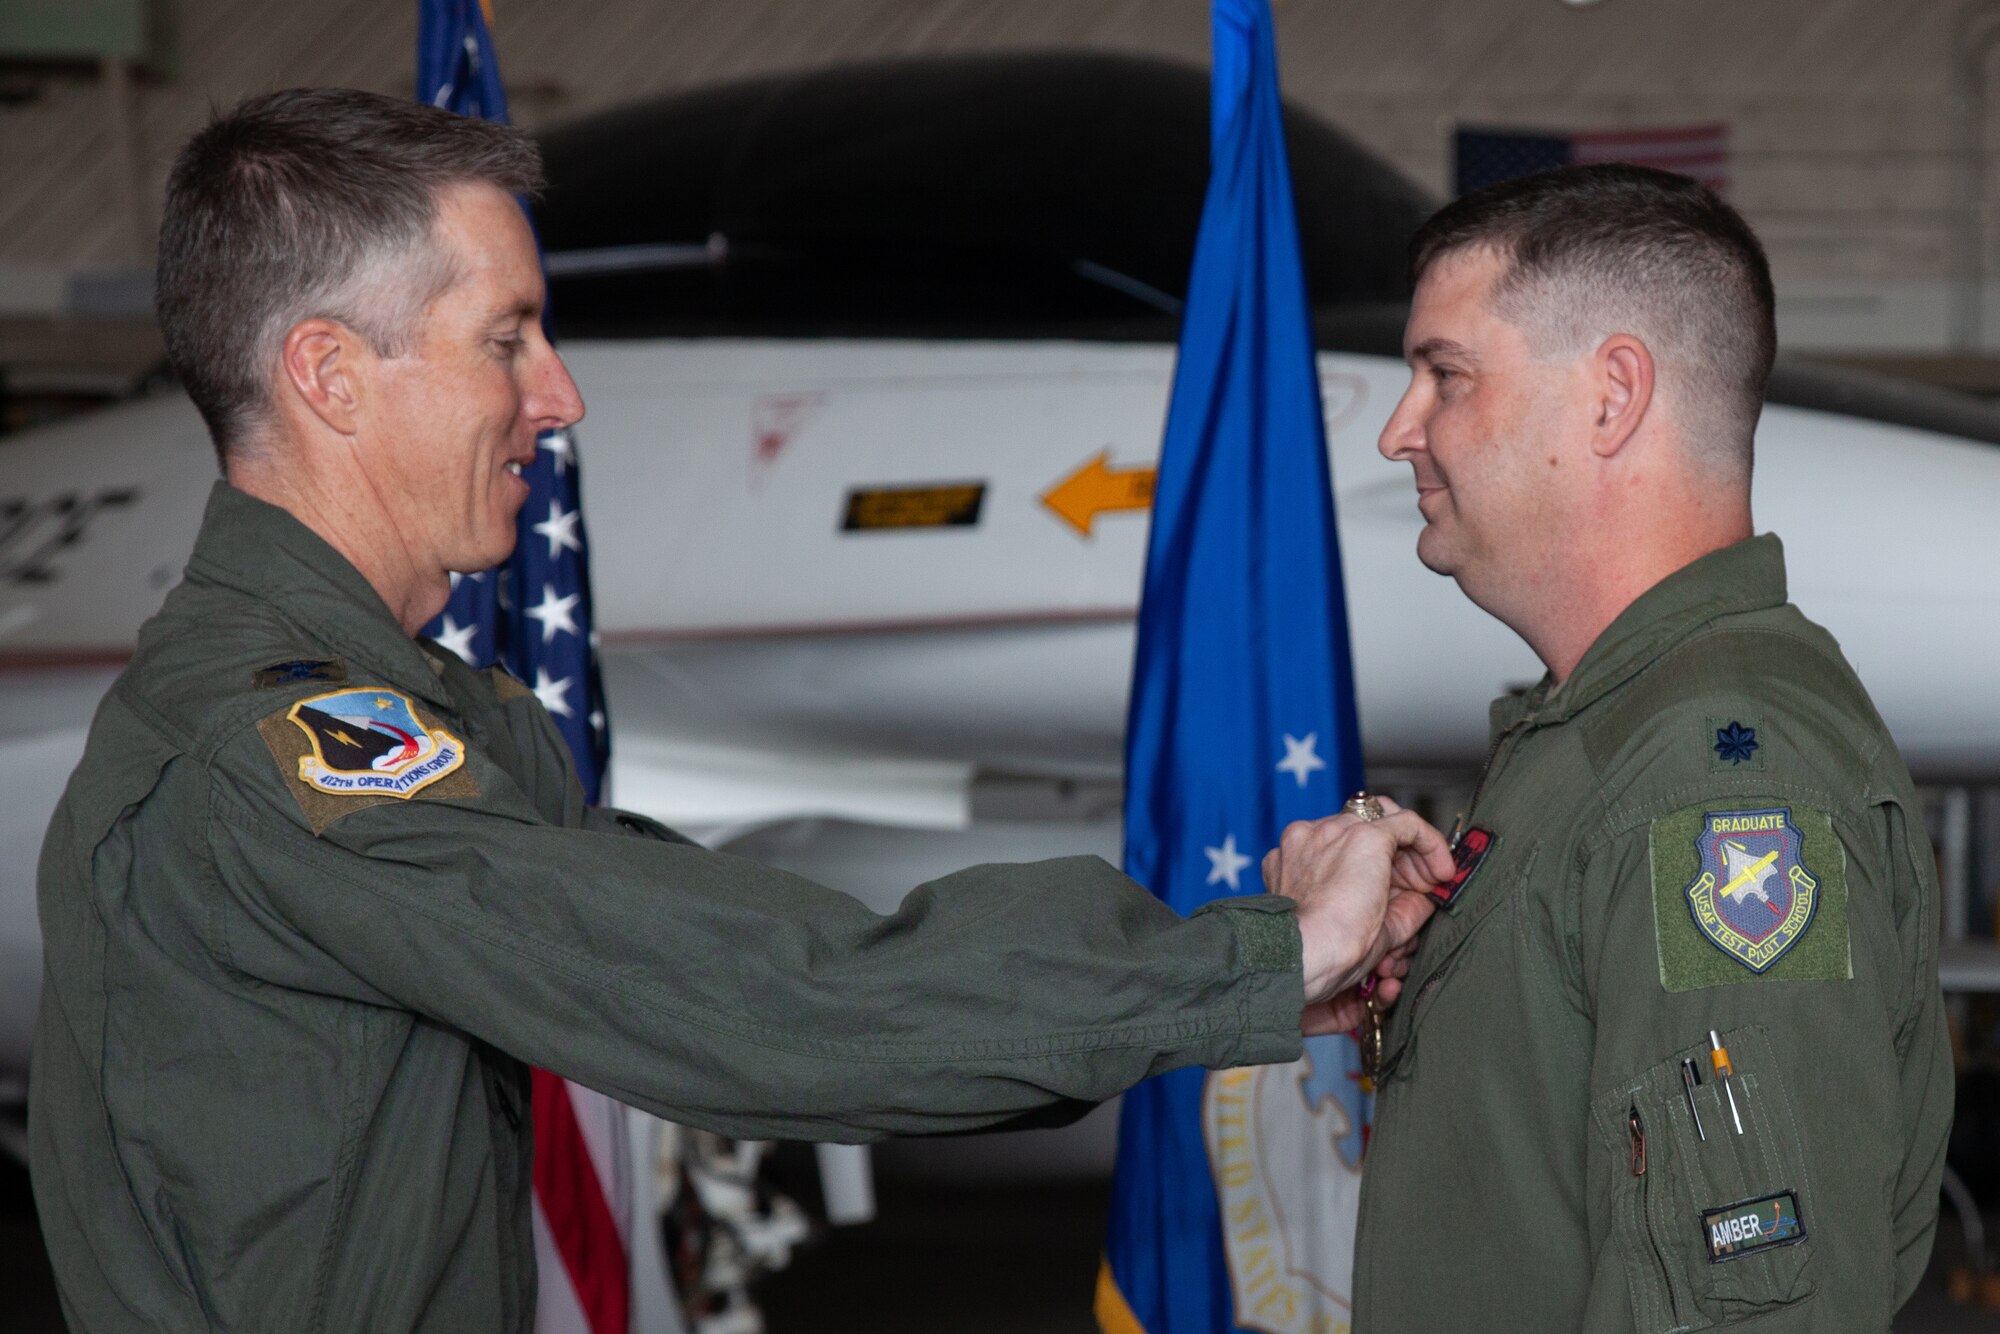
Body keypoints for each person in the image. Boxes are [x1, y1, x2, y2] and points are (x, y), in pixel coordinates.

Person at [27, 88, 1447, 1332]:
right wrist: (1249, 960)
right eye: (505, 338)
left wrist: (1252, 973)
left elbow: (733, 934)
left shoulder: (421, 718)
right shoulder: (278, 756)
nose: (559, 395)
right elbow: (760, 997)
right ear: (330, 375)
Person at [1332, 163, 1952, 1330]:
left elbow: (1758, 1306)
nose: (1396, 430)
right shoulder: (1606, 739)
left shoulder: (1714, 777)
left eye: (1443, 375)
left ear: (1613, 395)